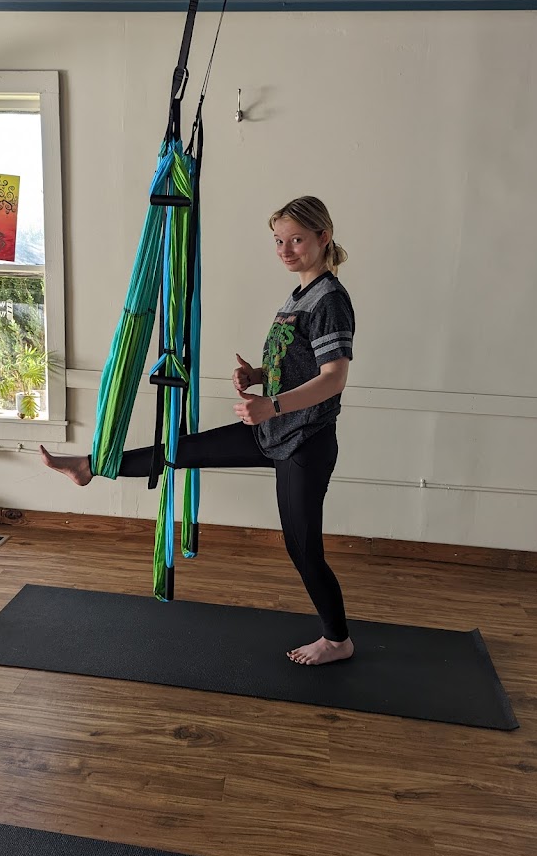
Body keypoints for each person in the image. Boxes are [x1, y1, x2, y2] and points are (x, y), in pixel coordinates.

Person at [40, 196, 356, 666]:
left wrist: (271, 404)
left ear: (323, 237)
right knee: (181, 450)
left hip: (303, 441)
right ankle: (90, 466)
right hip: (272, 428)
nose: (285, 250)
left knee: (303, 548)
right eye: (278, 241)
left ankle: (337, 640)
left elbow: (333, 377)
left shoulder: (329, 299)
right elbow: (300, 364)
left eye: (296, 240)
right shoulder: (298, 296)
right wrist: (258, 376)